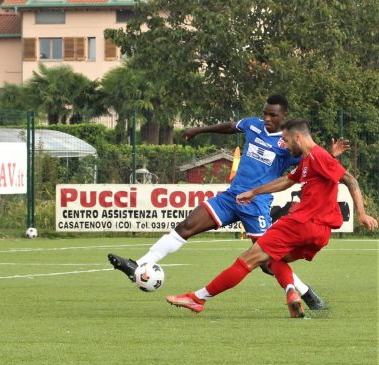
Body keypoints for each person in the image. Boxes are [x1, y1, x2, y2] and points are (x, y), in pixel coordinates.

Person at [108, 95, 349, 310]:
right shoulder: (254, 125)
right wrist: (198, 130)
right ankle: (138, 265)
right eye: (265, 113)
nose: (266, 118)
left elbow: (311, 156)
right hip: (231, 197)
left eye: (272, 115)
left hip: (256, 205)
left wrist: (330, 156)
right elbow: (229, 127)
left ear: (284, 116)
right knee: (186, 226)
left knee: (267, 261)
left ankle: (305, 293)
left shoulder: (287, 143)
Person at [166, 118, 377, 317]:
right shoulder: (313, 159)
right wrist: (255, 192)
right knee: (272, 259)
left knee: (249, 259)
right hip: (320, 234)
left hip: (299, 224)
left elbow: (350, 180)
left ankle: (197, 298)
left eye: (285, 140)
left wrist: (361, 213)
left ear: (297, 137)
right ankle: (291, 292)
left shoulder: (317, 156)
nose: (283, 144)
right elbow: (287, 181)